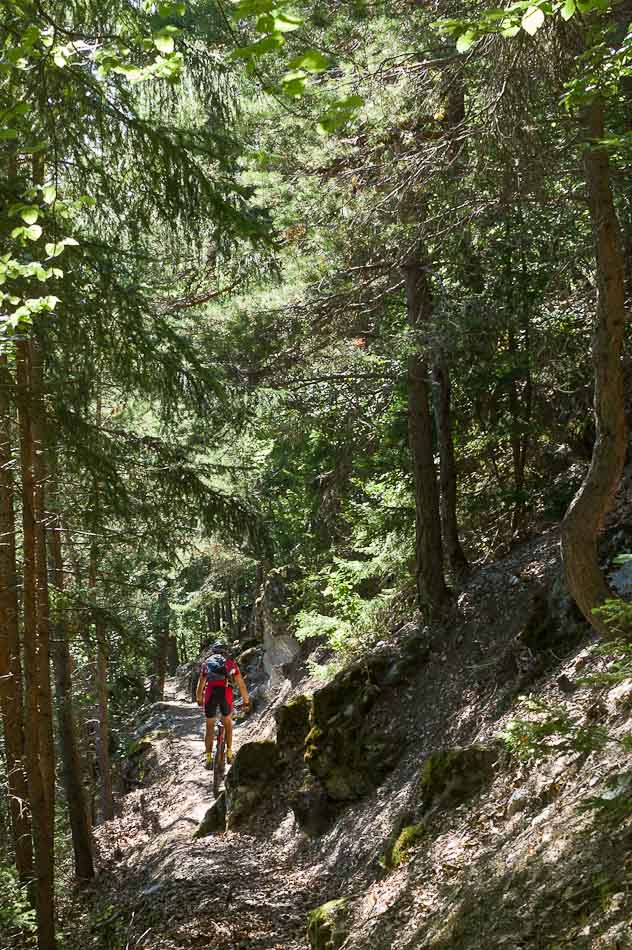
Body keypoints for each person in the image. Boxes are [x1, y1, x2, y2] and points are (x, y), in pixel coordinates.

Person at [196, 642, 250, 769]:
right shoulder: (230, 663)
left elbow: (200, 685)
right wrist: (246, 701)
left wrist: (199, 699)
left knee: (209, 725)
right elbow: (241, 685)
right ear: (225, 651)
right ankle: (229, 754)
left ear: (213, 652)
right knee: (227, 722)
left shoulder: (206, 664)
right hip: (226, 693)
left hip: (210, 694)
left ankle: (208, 757)